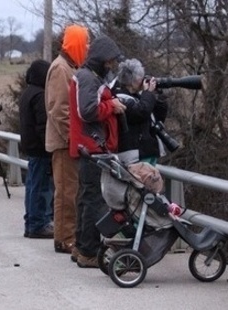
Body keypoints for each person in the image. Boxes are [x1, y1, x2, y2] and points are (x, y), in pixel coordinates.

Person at [69, 35, 126, 268]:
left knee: (85, 198)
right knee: (93, 200)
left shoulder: (86, 76)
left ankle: (81, 245)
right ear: (102, 59)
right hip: (93, 146)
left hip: (88, 146)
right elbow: (88, 111)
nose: (112, 65)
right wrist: (111, 106)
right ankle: (89, 251)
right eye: (110, 60)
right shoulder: (88, 79)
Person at [44, 24, 90, 254]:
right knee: (66, 192)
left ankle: (68, 234)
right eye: (86, 42)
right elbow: (59, 110)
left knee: (71, 190)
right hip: (65, 143)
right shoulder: (61, 69)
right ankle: (64, 238)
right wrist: (74, 139)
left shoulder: (68, 67)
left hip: (68, 141)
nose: (88, 47)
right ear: (76, 43)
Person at [19, 59, 54, 239]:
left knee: (32, 186)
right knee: (42, 188)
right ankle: (39, 224)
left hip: (30, 146)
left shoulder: (27, 93)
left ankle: (31, 221)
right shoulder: (40, 95)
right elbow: (43, 125)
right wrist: (50, 146)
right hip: (40, 148)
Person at [114, 58, 168, 165]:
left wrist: (158, 95)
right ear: (131, 80)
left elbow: (160, 116)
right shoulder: (121, 98)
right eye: (140, 77)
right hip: (134, 155)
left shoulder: (140, 97)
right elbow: (141, 112)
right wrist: (148, 93)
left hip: (147, 151)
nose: (142, 80)